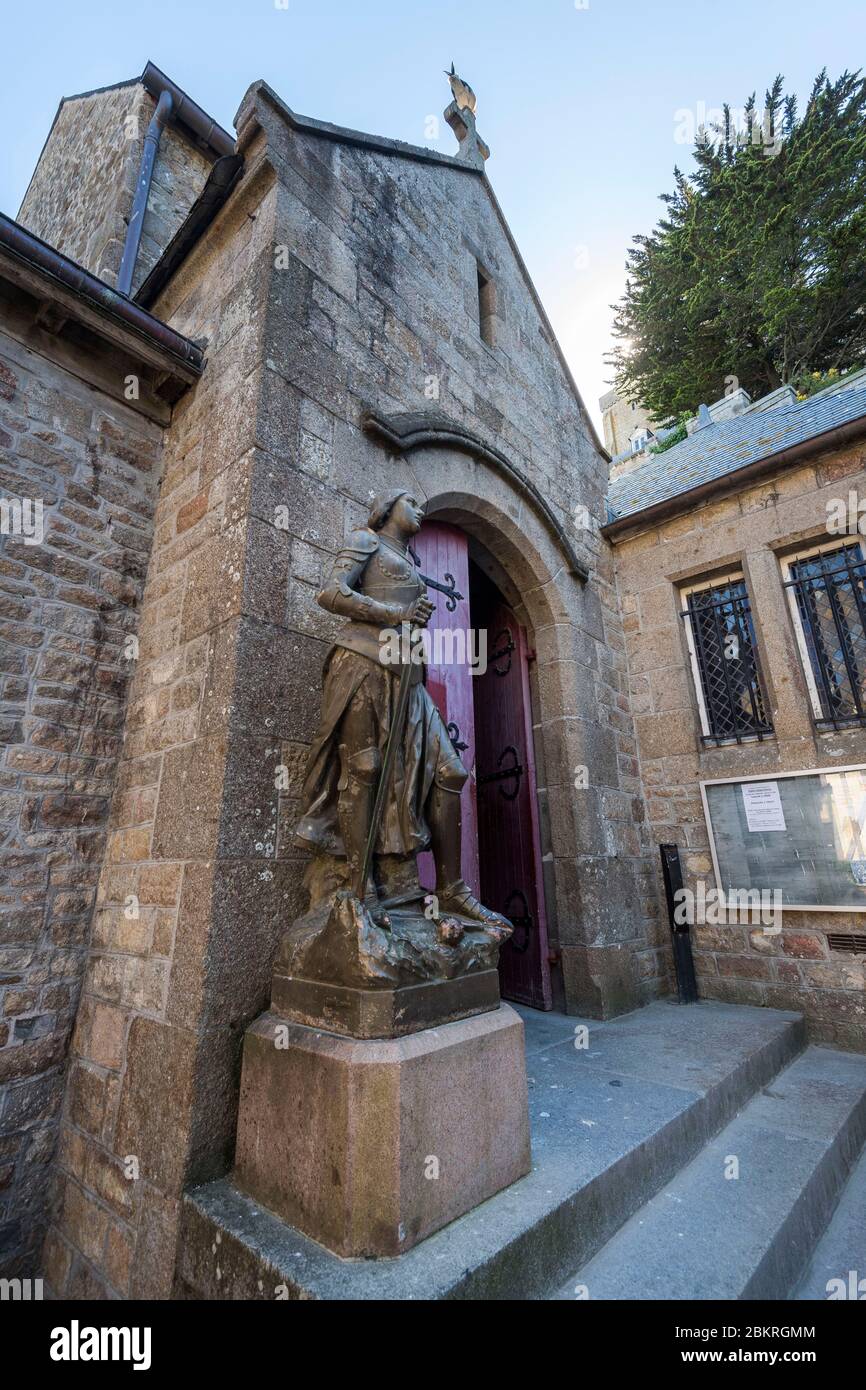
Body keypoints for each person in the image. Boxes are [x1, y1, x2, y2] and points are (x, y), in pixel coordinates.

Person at [294, 487, 510, 932]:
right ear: (387, 509)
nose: (421, 508)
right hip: (362, 664)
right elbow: (330, 594)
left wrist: (410, 616)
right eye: (411, 500)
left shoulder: (410, 560)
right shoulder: (365, 541)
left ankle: (453, 891)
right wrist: (394, 611)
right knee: (364, 768)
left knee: (450, 771)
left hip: (407, 676)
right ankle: (361, 887)